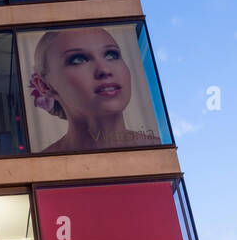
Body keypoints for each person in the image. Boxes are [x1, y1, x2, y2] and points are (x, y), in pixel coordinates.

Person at [28, 26, 159, 153]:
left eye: (111, 55)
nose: (104, 70)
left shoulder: (159, 151)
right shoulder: (44, 169)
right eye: (78, 59)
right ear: (44, 86)